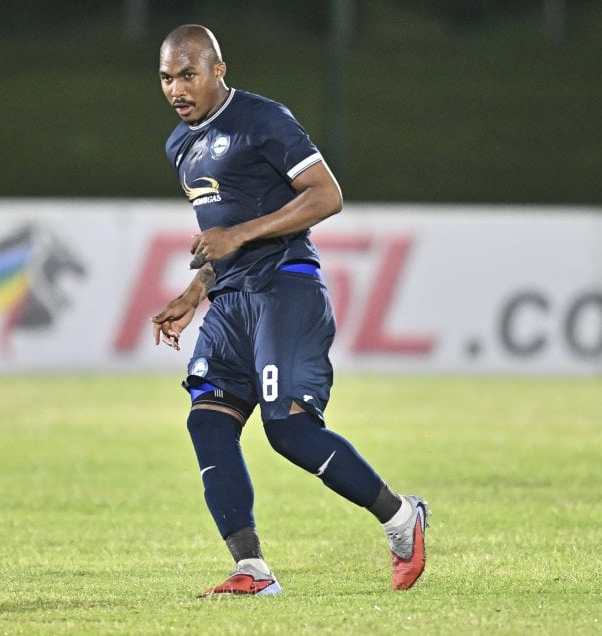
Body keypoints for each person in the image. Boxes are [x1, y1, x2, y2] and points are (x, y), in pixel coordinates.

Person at [151, 25, 429, 596]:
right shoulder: (179, 146)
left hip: (284, 289)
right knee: (207, 420)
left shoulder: (261, 119)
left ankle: (402, 518)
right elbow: (223, 237)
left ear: (218, 70)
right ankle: (252, 570)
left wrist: (239, 235)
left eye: (188, 74)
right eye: (166, 77)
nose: (177, 88)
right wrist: (194, 292)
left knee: (289, 431)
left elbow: (327, 195)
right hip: (230, 301)